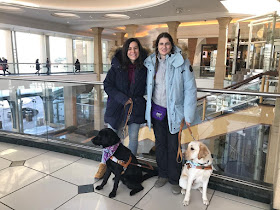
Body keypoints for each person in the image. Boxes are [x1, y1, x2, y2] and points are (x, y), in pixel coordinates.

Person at [144, 32, 197, 194]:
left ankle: (175, 179)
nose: (164, 47)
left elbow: (190, 89)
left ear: (172, 46)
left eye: (167, 44)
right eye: (161, 44)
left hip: (174, 112)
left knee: (173, 146)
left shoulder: (182, 62)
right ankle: (163, 174)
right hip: (157, 110)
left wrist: (188, 115)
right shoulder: (151, 62)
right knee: (160, 145)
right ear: (157, 46)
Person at [94, 38, 148, 179]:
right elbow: (108, 86)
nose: (133, 51)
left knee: (134, 138)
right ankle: (104, 165)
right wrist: (123, 98)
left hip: (136, 107)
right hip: (117, 107)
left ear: (139, 50)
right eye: (129, 48)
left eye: (135, 48)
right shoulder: (116, 66)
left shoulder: (145, 67)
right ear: (125, 50)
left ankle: (130, 165)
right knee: (110, 138)